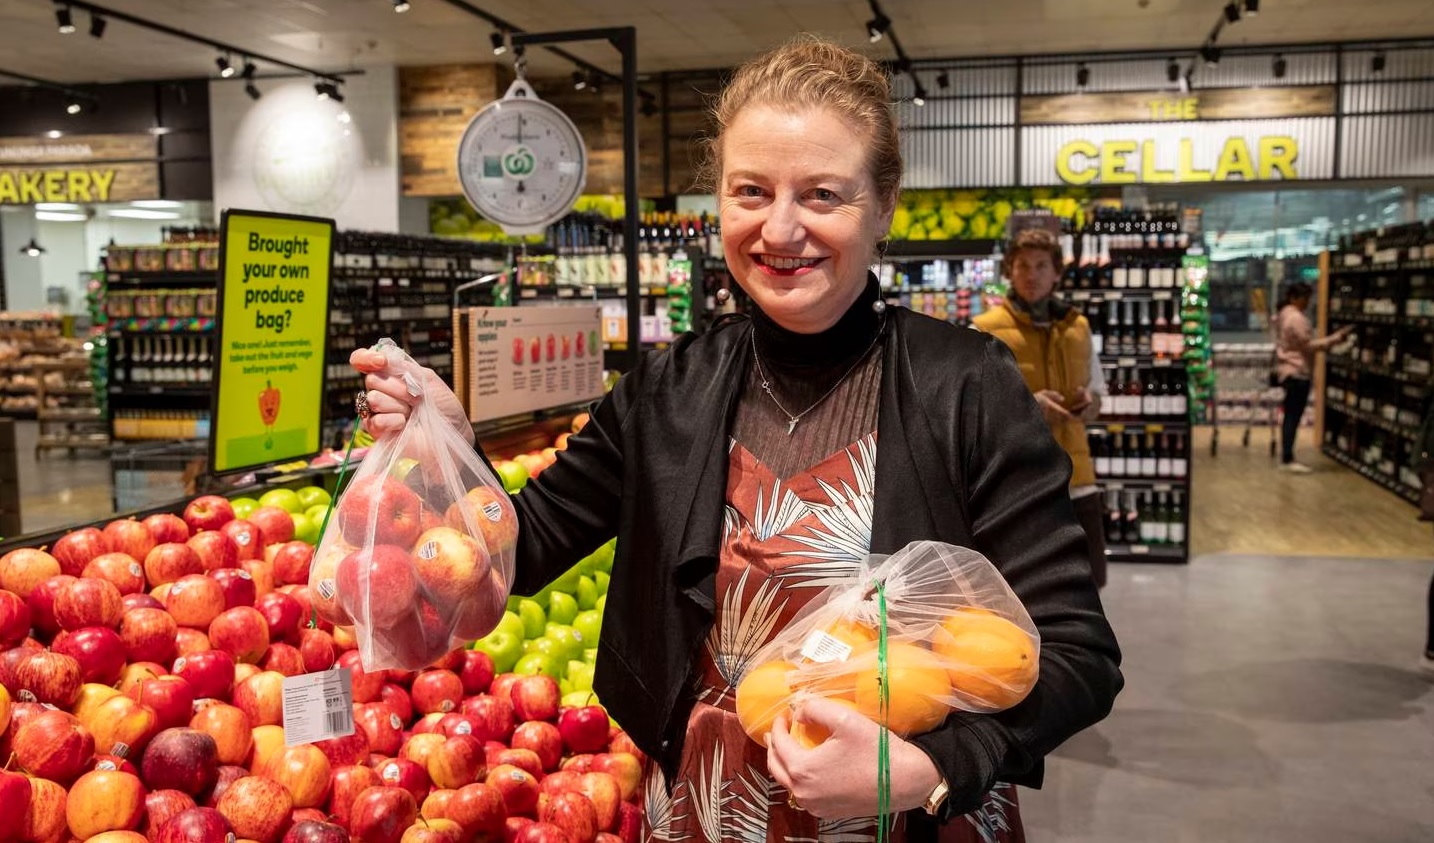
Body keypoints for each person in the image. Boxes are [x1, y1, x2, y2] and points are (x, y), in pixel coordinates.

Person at [353, 37, 1122, 842]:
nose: (779, 229)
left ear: (885, 203)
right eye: (750, 190)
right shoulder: (670, 387)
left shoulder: (965, 387)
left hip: (913, 818)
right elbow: (519, 549)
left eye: (822, 194)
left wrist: (929, 768)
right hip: (704, 810)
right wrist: (448, 448)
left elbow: (1077, 652)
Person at [973, 229, 1109, 588]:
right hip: (1015, 483)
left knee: (1086, 585)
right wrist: (1029, 407)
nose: (1031, 275)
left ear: (1057, 272)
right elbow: (972, 412)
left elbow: (1098, 394)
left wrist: (1089, 403)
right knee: (1021, 589)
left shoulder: (1078, 328)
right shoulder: (984, 331)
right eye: (1022, 266)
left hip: (1077, 478)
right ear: (1009, 271)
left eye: (1041, 266)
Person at [1273, 282, 1353, 473]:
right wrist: (1335, 339)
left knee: (1289, 415)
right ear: (1294, 297)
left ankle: (1287, 455)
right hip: (1297, 371)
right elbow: (1308, 346)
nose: (1307, 302)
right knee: (1293, 416)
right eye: (1305, 298)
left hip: (1287, 369)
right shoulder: (1296, 318)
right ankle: (1287, 458)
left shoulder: (1281, 315)